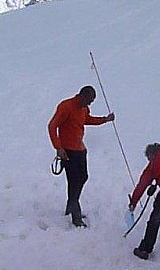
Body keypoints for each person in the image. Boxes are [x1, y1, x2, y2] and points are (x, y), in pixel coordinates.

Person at [47, 85, 115, 227]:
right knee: (74, 181)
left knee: (83, 177)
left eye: (91, 101)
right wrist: (58, 148)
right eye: (89, 100)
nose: (89, 104)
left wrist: (105, 119)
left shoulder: (84, 108)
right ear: (82, 96)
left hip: (80, 149)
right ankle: (75, 215)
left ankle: (71, 206)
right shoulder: (65, 106)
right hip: (67, 151)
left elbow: (86, 119)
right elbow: (52, 126)